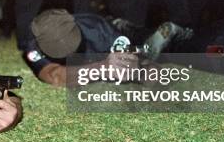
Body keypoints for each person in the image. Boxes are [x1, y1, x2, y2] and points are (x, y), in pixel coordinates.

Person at [23, 9, 192, 87]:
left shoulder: (96, 28)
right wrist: (102, 68)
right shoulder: (34, 46)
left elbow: (138, 65)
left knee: (135, 37)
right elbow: (55, 76)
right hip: (99, 57)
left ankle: (179, 34)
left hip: (110, 29)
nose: (68, 51)